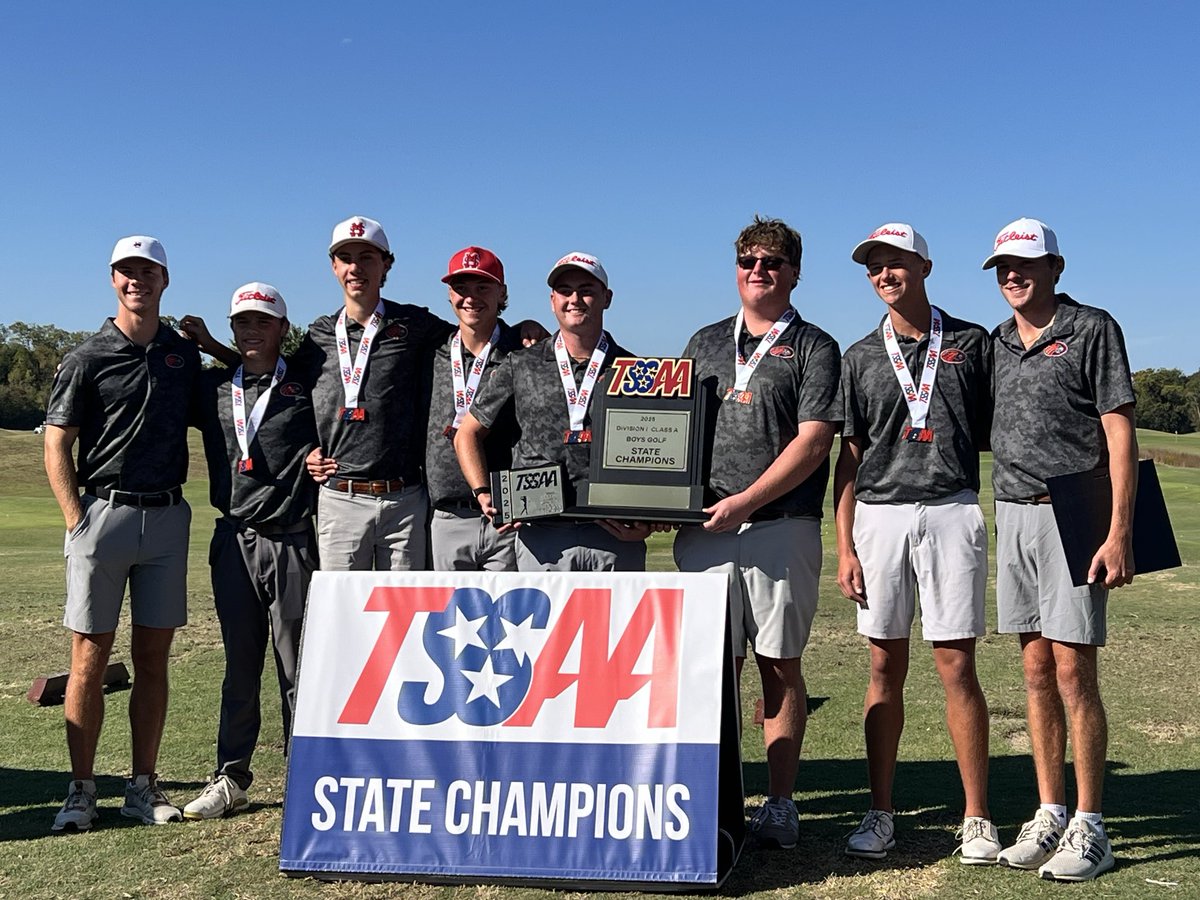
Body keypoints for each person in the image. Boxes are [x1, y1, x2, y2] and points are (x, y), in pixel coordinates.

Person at [673, 217, 840, 849]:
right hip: (707, 529)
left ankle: (779, 802)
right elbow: (670, 433)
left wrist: (746, 501)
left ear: (794, 272)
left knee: (779, 666)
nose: (758, 270)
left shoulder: (816, 347)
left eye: (772, 261)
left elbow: (815, 439)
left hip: (780, 528)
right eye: (747, 259)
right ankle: (715, 798)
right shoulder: (704, 341)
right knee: (714, 669)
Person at [834, 224, 999, 863]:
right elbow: (848, 458)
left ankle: (977, 817)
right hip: (879, 516)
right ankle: (880, 813)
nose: (885, 275)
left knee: (957, 664)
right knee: (883, 665)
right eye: (875, 266)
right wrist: (844, 545)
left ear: (925, 266)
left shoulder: (970, 342)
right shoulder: (859, 355)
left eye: (896, 263)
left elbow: (999, 426)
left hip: (952, 509)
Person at [985, 218, 1136, 882]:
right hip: (1013, 514)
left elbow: (1119, 430)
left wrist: (1119, 530)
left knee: (1076, 674)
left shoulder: (1093, 328)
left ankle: (1091, 825)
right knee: (1036, 672)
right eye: (1003, 267)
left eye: (1025, 265)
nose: (1012, 276)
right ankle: (1049, 812)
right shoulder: (992, 341)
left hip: (1074, 511)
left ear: (1055, 267)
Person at [44, 235, 201, 830]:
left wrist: (208, 341)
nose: (138, 280)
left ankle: (142, 786)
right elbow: (58, 440)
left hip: (165, 517)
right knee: (89, 656)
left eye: (148, 271)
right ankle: (81, 790)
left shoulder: (182, 356)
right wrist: (74, 518)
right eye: (126, 272)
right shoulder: (86, 356)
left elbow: (238, 390)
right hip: (102, 515)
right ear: (113, 279)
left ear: (165, 279)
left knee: (153, 658)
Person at [181, 284, 319, 819]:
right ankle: (231, 777)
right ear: (233, 330)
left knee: (297, 667)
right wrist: (211, 346)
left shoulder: (306, 386)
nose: (253, 332)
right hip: (232, 538)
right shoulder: (213, 389)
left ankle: (304, 775)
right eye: (243, 324)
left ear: (284, 329)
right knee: (240, 665)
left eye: (263, 323)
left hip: (291, 540)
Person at [455, 252, 651, 570]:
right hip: (541, 538)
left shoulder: (637, 371)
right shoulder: (520, 364)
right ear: (552, 300)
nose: (575, 299)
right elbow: (468, 433)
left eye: (586, 289)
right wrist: (482, 493)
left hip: (615, 536)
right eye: (565, 290)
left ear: (607, 297)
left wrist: (649, 517)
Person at [298, 216, 454, 570]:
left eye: (367, 257)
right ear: (334, 266)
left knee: (402, 616)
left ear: (386, 264)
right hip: (341, 497)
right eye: (347, 258)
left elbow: (473, 338)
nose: (356, 268)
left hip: (404, 498)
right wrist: (306, 450)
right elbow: (283, 397)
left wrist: (519, 328)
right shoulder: (317, 336)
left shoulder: (414, 324)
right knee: (344, 612)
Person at [426, 247, 522, 570]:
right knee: (452, 620)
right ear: (449, 294)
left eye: (482, 287)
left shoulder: (524, 353)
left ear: (502, 292)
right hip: (447, 515)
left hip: (505, 518)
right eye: (461, 288)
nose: (471, 298)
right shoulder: (430, 349)